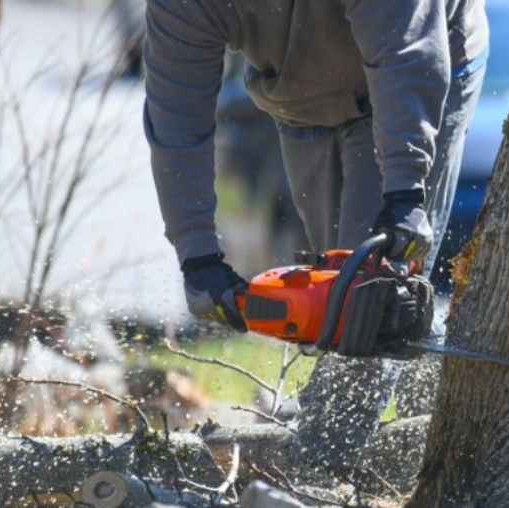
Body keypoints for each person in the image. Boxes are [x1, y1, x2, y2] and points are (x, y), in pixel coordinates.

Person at [143, 0, 487, 473]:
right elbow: (176, 120)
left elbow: (405, 55)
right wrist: (196, 254)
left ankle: (321, 476)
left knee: (368, 304)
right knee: (333, 305)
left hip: (415, 73)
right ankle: (432, 438)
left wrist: (406, 192)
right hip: (301, 97)